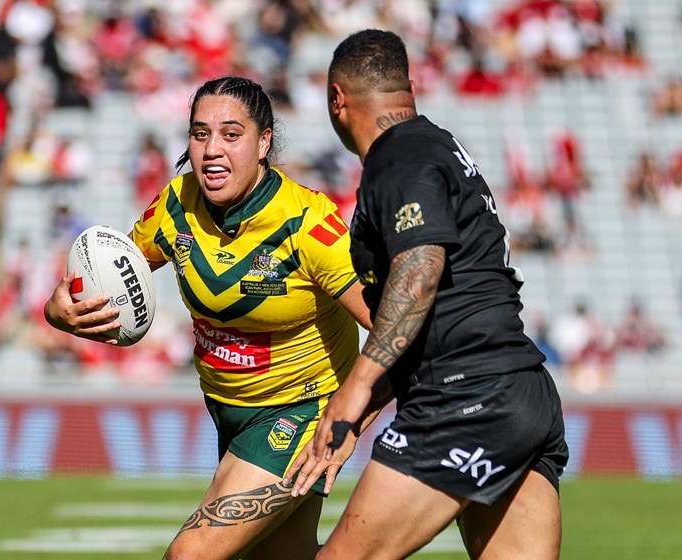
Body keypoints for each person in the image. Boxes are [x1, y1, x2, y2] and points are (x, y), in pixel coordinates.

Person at [43, 76, 382, 560]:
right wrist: (62, 310)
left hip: (300, 413)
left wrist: (351, 419)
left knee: (190, 555)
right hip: (226, 412)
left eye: (231, 134)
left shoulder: (307, 224)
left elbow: (396, 326)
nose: (211, 150)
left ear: (264, 141)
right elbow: (110, 273)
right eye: (199, 134)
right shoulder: (174, 206)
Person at [286, 29, 568, 559]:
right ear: (408, 89)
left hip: (466, 398)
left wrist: (355, 387)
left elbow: (421, 269)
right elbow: (446, 310)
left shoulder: (399, 158)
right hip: (522, 392)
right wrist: (370, 406)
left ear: (336, 99)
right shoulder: (437, 144)